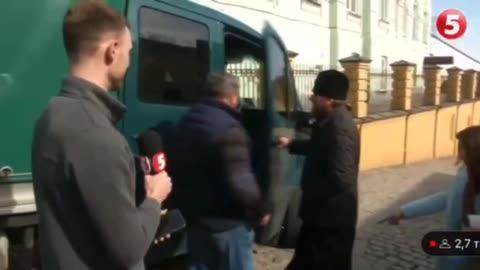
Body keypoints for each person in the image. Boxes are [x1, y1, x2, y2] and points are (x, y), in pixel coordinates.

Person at [31, 2, 172, 270]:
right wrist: (154, 199)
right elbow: (129, 251)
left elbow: (84, 216)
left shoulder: (51, 114)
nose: (129, 60)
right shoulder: (95, 133)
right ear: (113, 51)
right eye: (129, 51)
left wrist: (145, 219)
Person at [166, 73, 271, 270]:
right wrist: (260, 210)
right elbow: (241, 181)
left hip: (197, 220)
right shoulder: (229, 129)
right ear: (232, 96)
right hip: (228, 223)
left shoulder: (187, 121)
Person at [277, 70, 360, 270]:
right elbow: (319, 147)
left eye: (316, 94)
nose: (311, 97)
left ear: (330, 99)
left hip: (330, 223)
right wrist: (291, 144)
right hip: (320, 217)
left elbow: (342, 178)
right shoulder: (330, 121)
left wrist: (311, 190)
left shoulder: (339, 128)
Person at [385, 126, 480, 270]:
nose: (458, 152)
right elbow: (446, 198)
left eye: (461, 148)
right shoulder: (466, 174)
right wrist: (406, 212)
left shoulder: (468, 177)